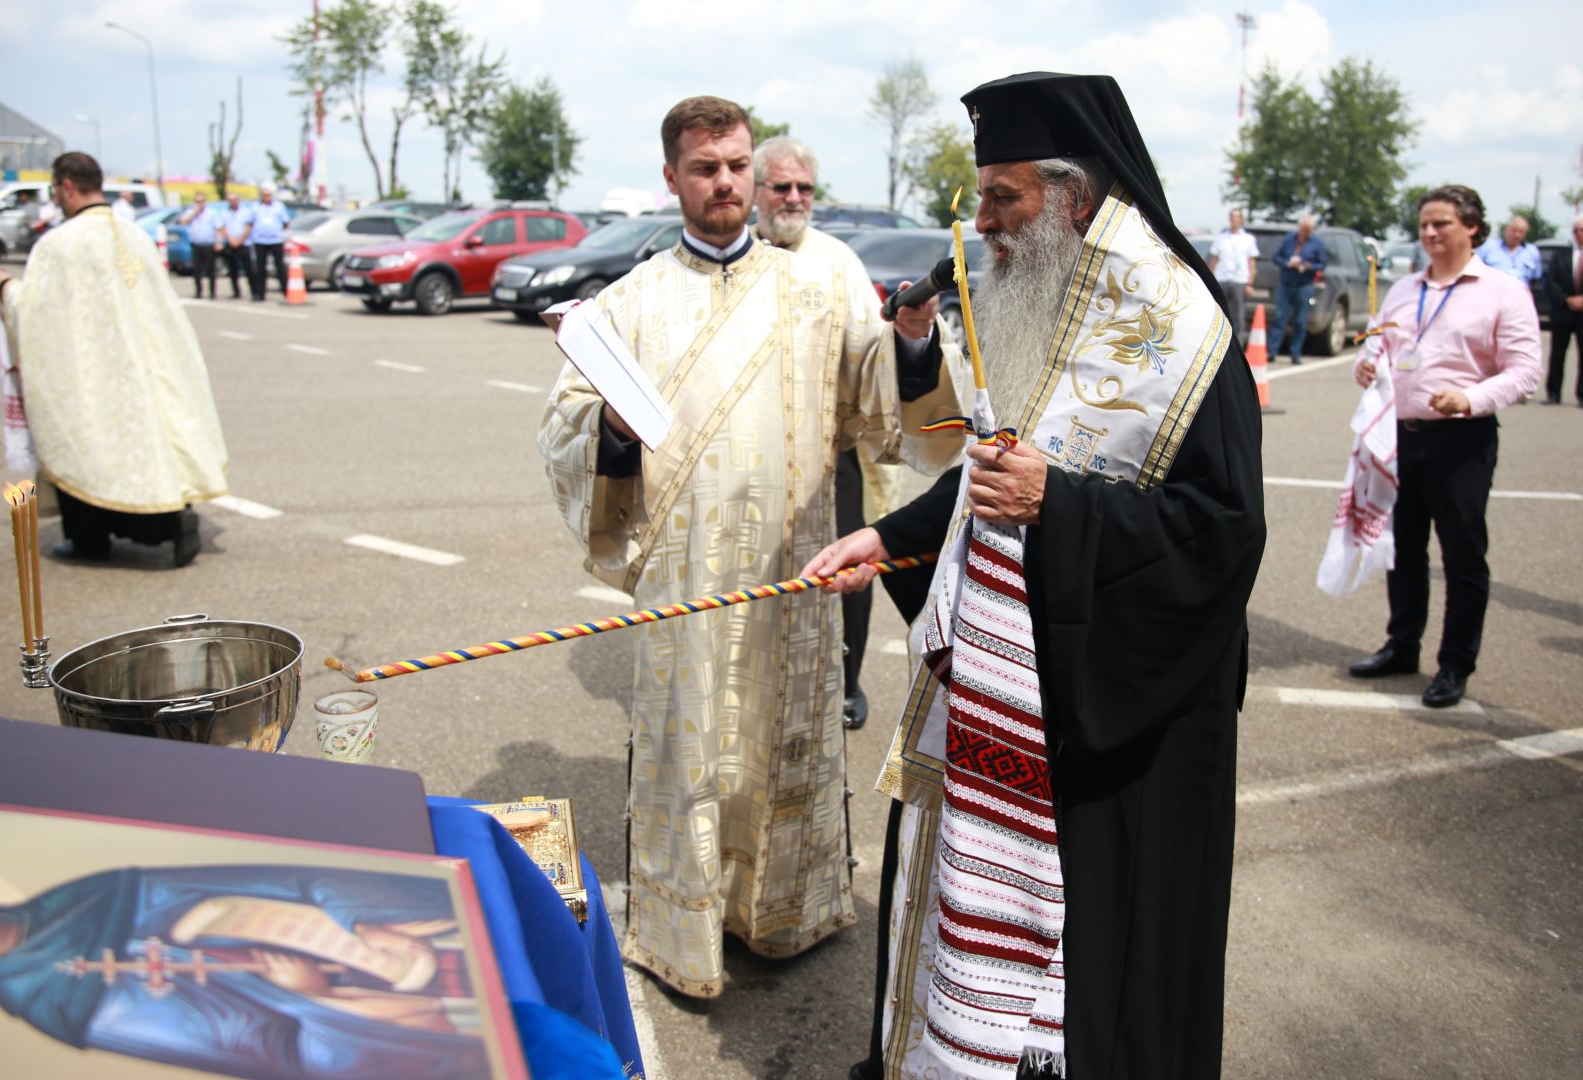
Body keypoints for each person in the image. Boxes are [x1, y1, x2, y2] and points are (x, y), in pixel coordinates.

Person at [803, 71, 1266, 1079]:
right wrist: (890, 539)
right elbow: (993, 469)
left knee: (1090, 975)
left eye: (1003, 199)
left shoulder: (1186, 336)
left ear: (1075, 196)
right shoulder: (1046, 299)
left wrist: (1065, 507)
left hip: (1118, 717)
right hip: (1003, 690)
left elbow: (1223, 534)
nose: (987, 225)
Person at [537, 96, 964, 1000]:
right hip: (686, 580)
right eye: (705, 168)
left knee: (779, 742)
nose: (725, 183)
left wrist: (916, 341)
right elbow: (568, 432)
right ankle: (683, 927)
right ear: (674, 179)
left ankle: (779, 914)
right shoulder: (629, 302)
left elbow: (880, 401)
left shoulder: (817, 287)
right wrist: (612, 430)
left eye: (735, 165)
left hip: (792, 570)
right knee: (691, 748)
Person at [750, 134, 968, 731]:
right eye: (781, 187)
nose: (794, 198)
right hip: (748, 460)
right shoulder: (733, 260)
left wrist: (910, 339)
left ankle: (843, 682)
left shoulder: (836, 262)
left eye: (804, 188)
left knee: (850, 563)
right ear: (756, 191)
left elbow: (875, 353)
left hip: (830, 454)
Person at [0, 863, 491, 1078]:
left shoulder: (94, 895)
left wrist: (361, 917)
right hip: (438, 1012)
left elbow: (299, 879)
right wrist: (312, 994)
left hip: (437, 930)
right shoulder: (61, 1002)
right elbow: (286, 1054)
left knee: (522, 899)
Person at [1347, 184, 1540, 707]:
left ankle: (1455, 662)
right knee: (1403, 550)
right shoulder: (1406, 288)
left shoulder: (1503, 291)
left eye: (1442, 225)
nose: (1430, 234)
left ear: (1473, 227)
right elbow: (1377, 344)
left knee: (1462, 555)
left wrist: (1471, 397)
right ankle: (1401, 644)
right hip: (1400, 437)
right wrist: (1366, 365)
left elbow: (1525, 371)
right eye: (1424, 225)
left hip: (1461, 440)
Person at [0, 151, 227, 567]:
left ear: (65, 186)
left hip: (92, 373)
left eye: (54, 190)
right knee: (147, 451)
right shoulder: (134, 235)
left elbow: (36, 312)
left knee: (91, 451)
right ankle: (171, 523)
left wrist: (7, 286)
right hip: (146, 368)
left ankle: (90, 540)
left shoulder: (59, 244)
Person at [1266, 213, 1327, 364]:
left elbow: (1322, 264)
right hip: (1286, 284)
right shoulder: (1289, 240)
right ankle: (1272, 351)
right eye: (1303, 228)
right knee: (1280, 318)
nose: (1305, 231)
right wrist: (1287, 263)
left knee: (1300, 321)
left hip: (1304, 285)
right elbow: (1276, 257)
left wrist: (1308, 266)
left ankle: (1295, 353)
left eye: (1308, 229)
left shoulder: (1316, 243)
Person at [1541, 213, 1583, 405]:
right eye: (1576, 230)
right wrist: (1567, 300)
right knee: (1557, 354)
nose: (1579, 234)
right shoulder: (1561, 256)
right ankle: (1553, 393)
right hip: (1563, 312)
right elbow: (1550, 281)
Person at [1208, 207, 1258, 338]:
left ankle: (1239, 341)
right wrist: (1209, 279)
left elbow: (1251, 262)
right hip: (1222, 277)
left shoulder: (1248, 239)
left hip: (1239, 279)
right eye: (1232, 217)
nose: (1234, 220)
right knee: (1221, 312)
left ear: (1241, 220)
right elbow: (1214, 259)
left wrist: (1250, 283)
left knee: (1238, 313)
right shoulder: (1221, 238)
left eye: (1237, 217)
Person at [248, 182, 292, 301]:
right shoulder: (255, 207)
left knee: (280, 267)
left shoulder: (279, 206)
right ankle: (260, 293)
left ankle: (285, 291)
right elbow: (250, 223)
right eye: (264, 195)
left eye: (268, 195)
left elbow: (285, 223)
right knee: (260, 268)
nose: (266, 197)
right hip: (260, 240)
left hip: (275, 240)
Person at [1476, 214, 1544, 290]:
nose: (1516, 235)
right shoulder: (1488, 247)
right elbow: (1476, 271)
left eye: (1521, 232)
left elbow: (1535, 279)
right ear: (1506, 229)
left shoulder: (1532, 251)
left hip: (1520, 297)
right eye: (1514, 230)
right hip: (1491, 294)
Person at [181, 191, 221, 300]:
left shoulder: (212, 213)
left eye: (202, 201)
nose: (200, 203)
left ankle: (212, 292)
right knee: (197, 270)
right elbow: (183, 222)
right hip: (196, 244)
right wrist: (194, 212)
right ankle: (198, 291)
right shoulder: (191, 212)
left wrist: (218, 242)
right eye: (197, 201)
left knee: (211, 270)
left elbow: (217, 228)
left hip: (209, 244)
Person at [219, 190, 254, 300]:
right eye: (230, 200)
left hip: (243, 243)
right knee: (232, 270)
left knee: (249, 269)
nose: (232, 202)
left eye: (234, 199)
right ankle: (236, 292)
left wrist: (239, 240)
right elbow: (222, 228)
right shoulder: (224, 212)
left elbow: (248, 227)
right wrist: (231, 240)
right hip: (230, 243)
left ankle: (254, 291)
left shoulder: (246, 212)